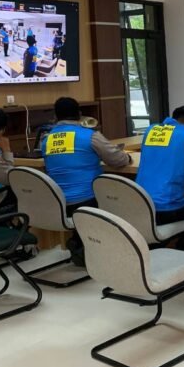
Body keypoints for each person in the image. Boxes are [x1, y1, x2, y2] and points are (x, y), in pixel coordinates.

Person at [42, 97, 132, 265]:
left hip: (59, 203)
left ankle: (80, 244)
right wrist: (127, 157)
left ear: (55, 116)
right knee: (123, 197)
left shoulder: (46, 140)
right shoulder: (90, 136)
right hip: (89, 200)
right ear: (79, 114)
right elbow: (118, 160)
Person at [135, 105, 184, 251]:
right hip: (166, 207)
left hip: (141, 203)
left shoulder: (151, 130)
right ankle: (183, 250)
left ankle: (158, 246)